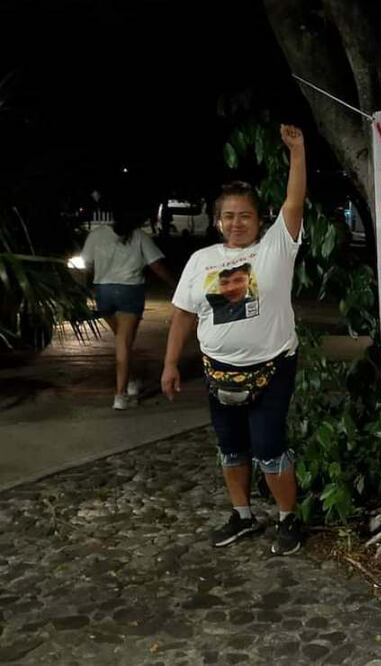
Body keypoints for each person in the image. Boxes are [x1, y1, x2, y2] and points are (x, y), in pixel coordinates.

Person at [161, 124, 306, 556]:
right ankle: (242, 515)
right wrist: (170, 363)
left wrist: (297, 153)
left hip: (273, 365)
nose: (236, 222)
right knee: (230, 447)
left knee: (267, 446)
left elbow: (294, 201)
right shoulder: (200, 260)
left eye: (245, 215)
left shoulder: (276, 247)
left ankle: (288, 519)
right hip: (218, 372)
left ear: (259, 219)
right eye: (228, 215)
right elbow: (184, 315)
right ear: (216, 220)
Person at [80, 203, 174, 410]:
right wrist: (174, 285)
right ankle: (120, 395)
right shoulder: (139, 236)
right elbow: (156, 265)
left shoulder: (96, 235)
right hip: (129, 292)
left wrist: (81, 289)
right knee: (123, 343)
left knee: (123, 339)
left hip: (104, 293)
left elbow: (85, 265)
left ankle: (130, 382)